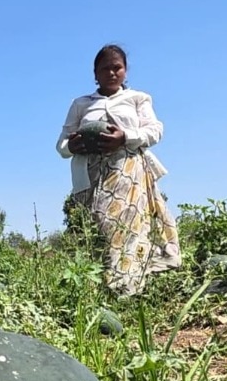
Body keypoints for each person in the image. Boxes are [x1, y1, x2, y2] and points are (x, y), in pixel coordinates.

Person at [56, 44, 182, 297]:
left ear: (125, 71)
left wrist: (125, 136)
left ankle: (126, 288)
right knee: (98, 224)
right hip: (90, 173)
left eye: (117, 68)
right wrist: (73, 145)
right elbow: (61, 145)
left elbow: (155, 130)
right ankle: (101, 288)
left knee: (127, 226)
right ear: (95, 73)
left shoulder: (137, 99)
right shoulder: (81, 104)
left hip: (127, 170)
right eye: (105, 69)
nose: (112, 73)